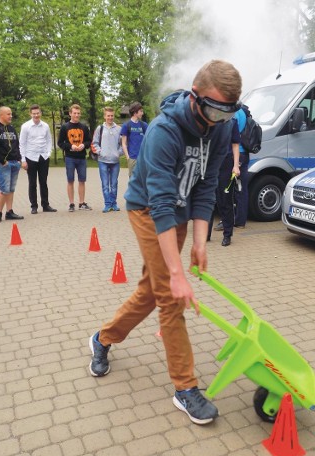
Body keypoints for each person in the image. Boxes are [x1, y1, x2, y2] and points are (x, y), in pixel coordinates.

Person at [88, 60, 242, 425]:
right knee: (171, 297)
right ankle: (185, 387)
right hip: (147, 210)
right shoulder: (163, 131)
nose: (221, 120)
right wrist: (177, 272)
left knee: (151, 292)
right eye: (215, 110)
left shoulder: (220, 129)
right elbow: (159, 203)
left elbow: (206, 187)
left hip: (182, 210)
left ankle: (102, 338)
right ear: (195, 97)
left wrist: (200, 243)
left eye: (228, 113)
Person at [0, 106, 24, 224]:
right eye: (8, 114)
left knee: (11, 189)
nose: (11, 116)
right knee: (4, 189)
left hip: (15, 163)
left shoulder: (12, 129)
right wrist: (2, 161)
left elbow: (16, 144)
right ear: (1, 115)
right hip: (2, 164)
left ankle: (10, 212)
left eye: (11, 114)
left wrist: (19, 159)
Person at [19, 104, 56, 214]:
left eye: (37, 113)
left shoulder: (45, 126)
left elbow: (49, 140)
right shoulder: (25, 126)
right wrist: (23, 160)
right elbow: (22, 144)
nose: (36, 115)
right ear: (30, 114)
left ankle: (45, 205)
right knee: (32, 183)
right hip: (30, 157)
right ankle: (34, 206)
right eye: (34, 113)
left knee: (43, 182)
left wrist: (49, 152)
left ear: (40, 113)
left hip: (43, 157)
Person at [57, 104, 92, 212]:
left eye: (78, 113)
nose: (76, 115)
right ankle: (71, 204)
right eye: (74, 113)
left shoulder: (84, 127)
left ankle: (81, 203)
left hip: (81, 157)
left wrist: (84, 145)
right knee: (70, 180)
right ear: (70, 113)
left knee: (82, 180)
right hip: (70, 157)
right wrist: (70, 146)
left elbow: (89, 141)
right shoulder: (65, 127)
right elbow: (60, 143)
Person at [214, 118, 241, 246]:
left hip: (226, 164)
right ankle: (205, 235)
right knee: (208, 199)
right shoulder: (209, 119)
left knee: (225, 200)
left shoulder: (232, 122)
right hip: (211, 164)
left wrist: (236, 166)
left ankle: (227, 234)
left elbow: (235, 145)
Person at [92, 107, 123, 212]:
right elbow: (94, 143)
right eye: (108, 115)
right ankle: (107, 204)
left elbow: (123, 144)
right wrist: (100, 152)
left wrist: (118, 153)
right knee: (105, 184)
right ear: (104, 116)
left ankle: (114, 203)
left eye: (112, 115)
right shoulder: (99, 128)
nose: (110, 117)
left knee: (114, 184)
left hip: (115, 161)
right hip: (103, 161)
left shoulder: (119, 129)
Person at [120, 102, 148, 177]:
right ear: (135, 112)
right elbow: (123, 143)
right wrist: (128, 157)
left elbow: (148, 140)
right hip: (132, 158)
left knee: (143, 180)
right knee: (133, 181)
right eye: (141, 111)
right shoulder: (126, 125)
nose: (142, 113)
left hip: (143, 158)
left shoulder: (144, 125)